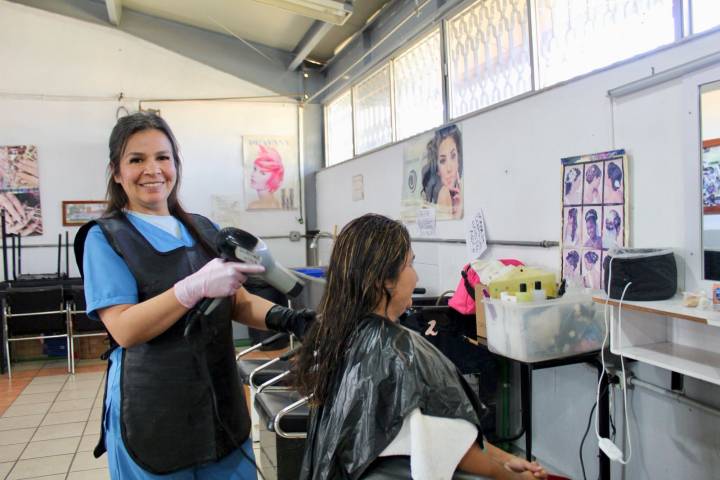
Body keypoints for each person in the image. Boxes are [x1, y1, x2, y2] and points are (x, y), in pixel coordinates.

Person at [74, 112, 313, 479]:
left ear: (176, 164)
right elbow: (124, 329)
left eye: (162, 157)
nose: (152, 170)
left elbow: (237, 300)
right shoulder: (105, 238)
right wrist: (191, 288)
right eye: (136, 160)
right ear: (116, 172)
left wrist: (291, 319)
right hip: (152, 412)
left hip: (220, 407)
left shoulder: (203, 228)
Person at [294, 214, 547, 480]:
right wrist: (516, 478)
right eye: (410, 264)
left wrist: (506, 459)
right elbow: (454, 450)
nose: (416, 276)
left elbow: (449, 437)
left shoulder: (336, 331)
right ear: (385, 280)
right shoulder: (402, 352)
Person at [421, 125, 463, 219]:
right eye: (443, 161)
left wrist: (456, 215)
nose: (449, 168)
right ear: (437, 170)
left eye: (453, 156)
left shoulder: (445, 195)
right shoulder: (444, 193)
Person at [247, 144, 284, 210]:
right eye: (255, 169)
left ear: (274, 179)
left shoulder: (254, 206)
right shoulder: (276, 202)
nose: (253, 174)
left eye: (262, 173)